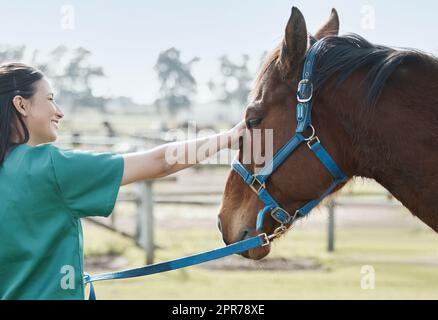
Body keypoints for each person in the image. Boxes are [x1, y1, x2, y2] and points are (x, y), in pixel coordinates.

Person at [0, 63, 246, 300]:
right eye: (50, 98)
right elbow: (162, 162)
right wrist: (228, 138)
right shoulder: (52, 167)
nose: (59, 111)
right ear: (21, 104)